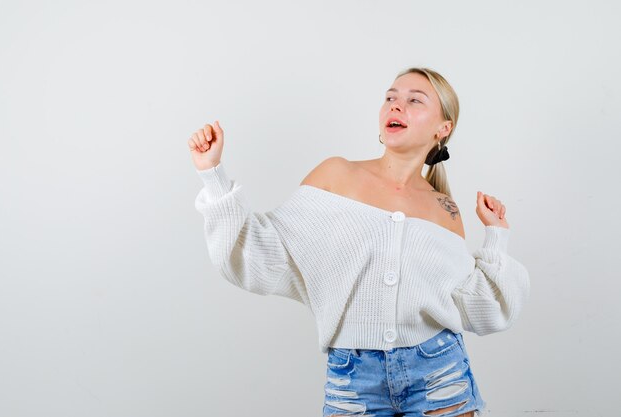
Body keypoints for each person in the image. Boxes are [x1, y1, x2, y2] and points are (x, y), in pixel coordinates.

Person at [187, 67, 531, 417]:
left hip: (439, 370)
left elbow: (476, 306)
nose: (396, 107)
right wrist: (213, 174)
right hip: (353, 377)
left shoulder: (445, 207)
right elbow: (264, 250)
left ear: (443, 128)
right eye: (390, 98)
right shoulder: (337, 175)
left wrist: (496, 235)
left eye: (414, 100)